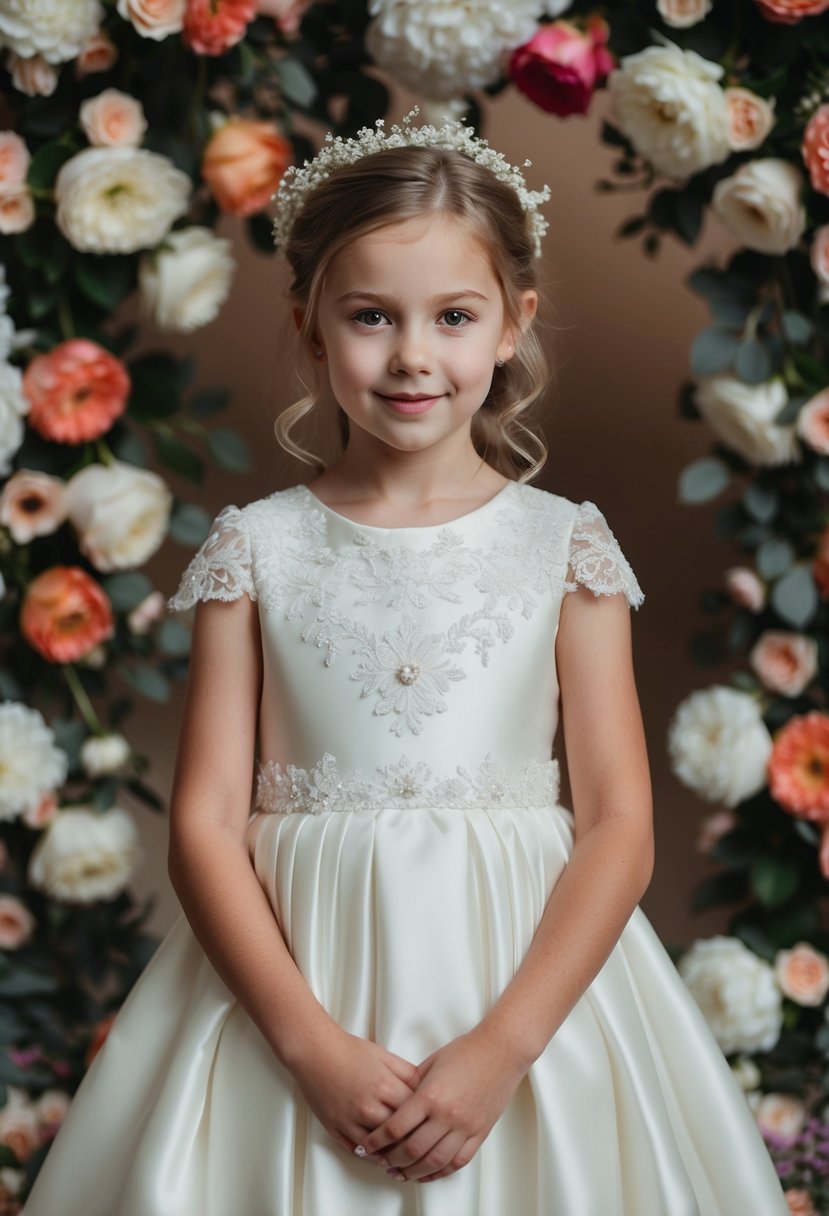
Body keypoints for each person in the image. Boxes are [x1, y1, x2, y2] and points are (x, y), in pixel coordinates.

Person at [22, 111, 790, 1216]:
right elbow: (201, 823)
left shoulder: (562, 543)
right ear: (311, 328)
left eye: (453, 316)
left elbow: (619, 823)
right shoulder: (256, 547)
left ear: (512, 325)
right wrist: (308, 1046)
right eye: (372, 317)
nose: (413, 355)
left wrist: (503, 1048)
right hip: (293, 995)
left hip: (524, 1000)